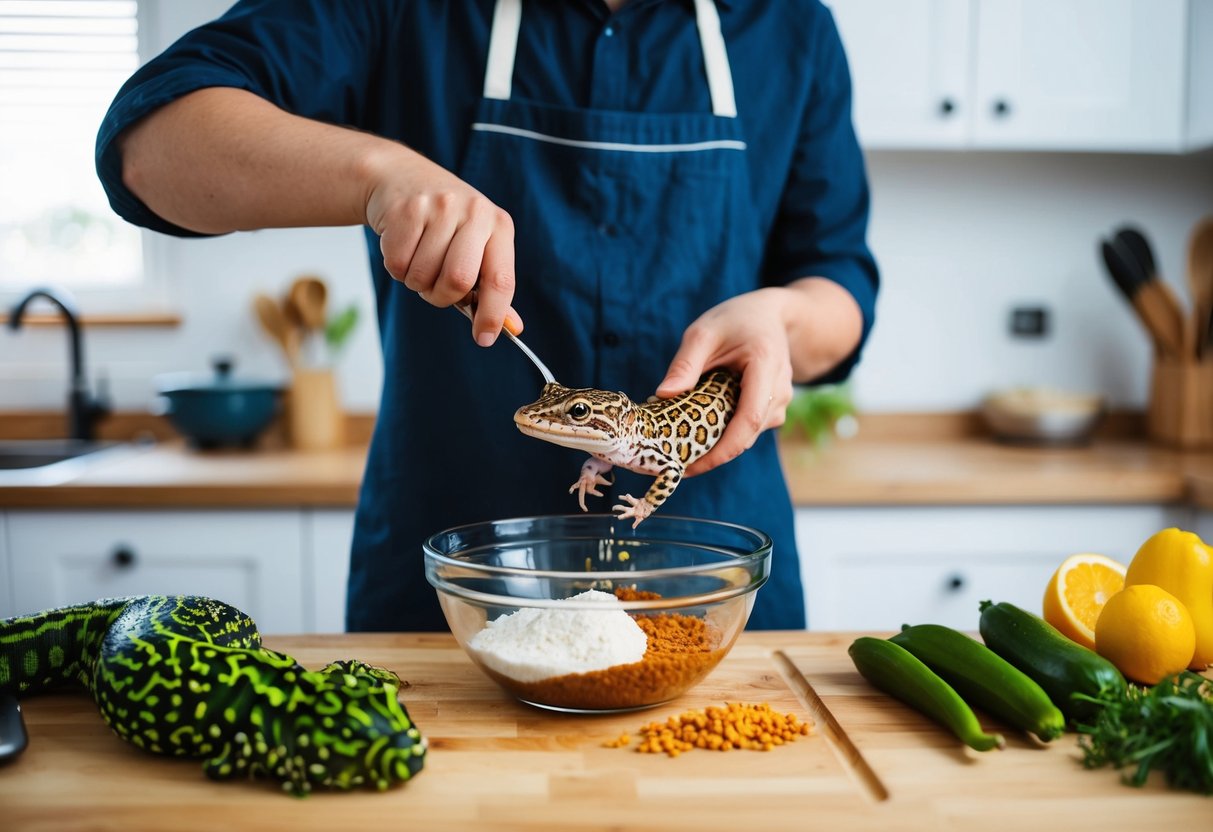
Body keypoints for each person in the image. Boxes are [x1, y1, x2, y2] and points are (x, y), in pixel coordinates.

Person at [97, 0, 878, 631]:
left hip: (710, 586)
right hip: (457, 591)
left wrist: (784, 319)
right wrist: (380, 174)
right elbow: (148, 151)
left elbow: (839, 283)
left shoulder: (790, 24)